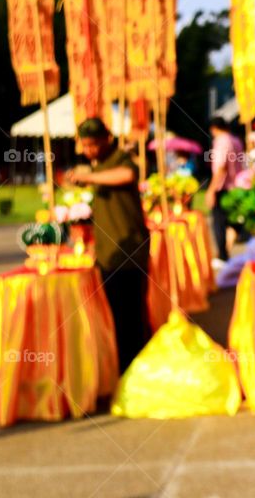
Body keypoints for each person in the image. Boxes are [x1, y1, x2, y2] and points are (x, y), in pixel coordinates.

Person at [67, 118, 151, 373]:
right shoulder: (101, 164)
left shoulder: (119, 159)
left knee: (132, 318)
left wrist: (89, 176)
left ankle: (136, 370)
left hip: (129, 250)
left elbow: (127, 175)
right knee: (117, 317)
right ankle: (125, 370)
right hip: (109, 253)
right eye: (85, 145)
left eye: (93, 144)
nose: (89, 150)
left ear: (107, 139)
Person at [206, 116, 244, 267]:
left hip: (223, 187)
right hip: (236, 186)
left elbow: (221, 168)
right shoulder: (236, 141)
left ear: (214, 129)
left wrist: (211, 190)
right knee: (234, 220)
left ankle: (222, 255)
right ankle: (226, 250)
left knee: (219, 222)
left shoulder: (221, 142)